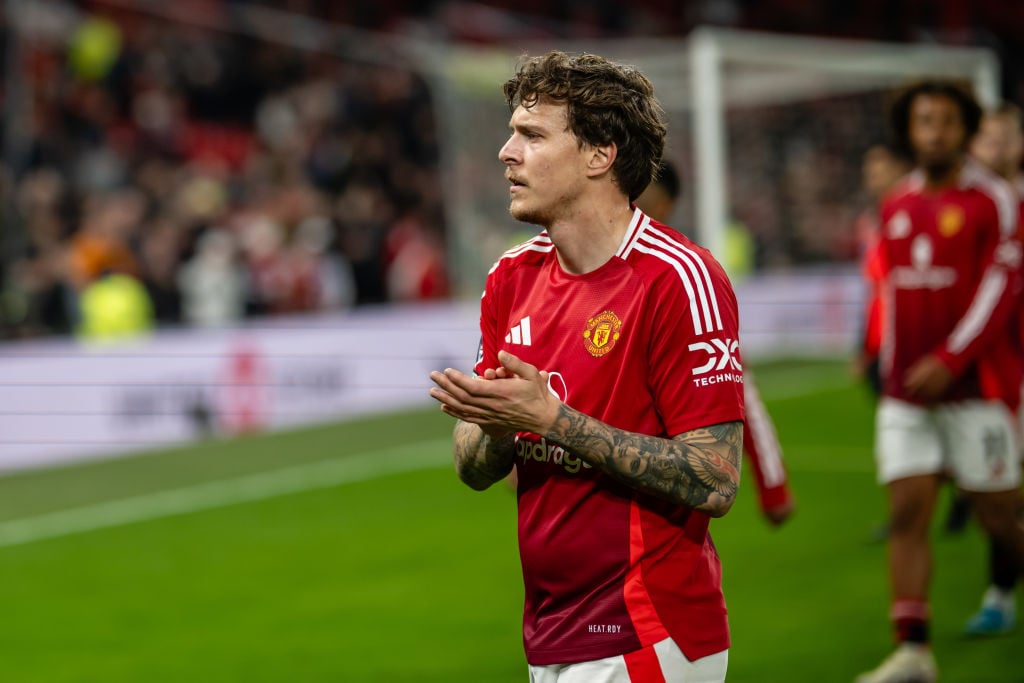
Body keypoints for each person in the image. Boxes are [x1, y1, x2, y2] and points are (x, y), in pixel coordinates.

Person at [429, 51, 744, 682]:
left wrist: (554, 421)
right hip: (551, 631)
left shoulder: (678, 279)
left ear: (600, 154)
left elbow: (716, 479)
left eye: (532, 135)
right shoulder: (510, 278)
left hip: (644, 630)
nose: (505, 152)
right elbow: (470, 467)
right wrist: (495, 427)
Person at [855, 81, 1024, 683]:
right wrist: (885, 364)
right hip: (907, 394)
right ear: (911, 129)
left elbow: (1001, 290)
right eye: (925, 121)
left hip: (975, 388)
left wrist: (952, 359)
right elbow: (892, 295)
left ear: (965, 129)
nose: (935, 132)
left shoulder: (996, 199)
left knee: (998, 518)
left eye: (948, 121)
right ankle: (913, 651)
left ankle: (1004, 589)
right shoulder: (896, 203)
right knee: (906, 510)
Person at [638, 160, 794, 526]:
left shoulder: (685, 276)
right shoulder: (597, 263)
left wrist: (774, 489)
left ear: (664, 205)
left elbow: (742, 392)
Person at [961, 101, 1024, 636]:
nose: (993, 149)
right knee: (1001, 499)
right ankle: (1001, 595)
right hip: (999, 375)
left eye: (1003, 138)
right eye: (985, 139)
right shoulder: (975, 207)